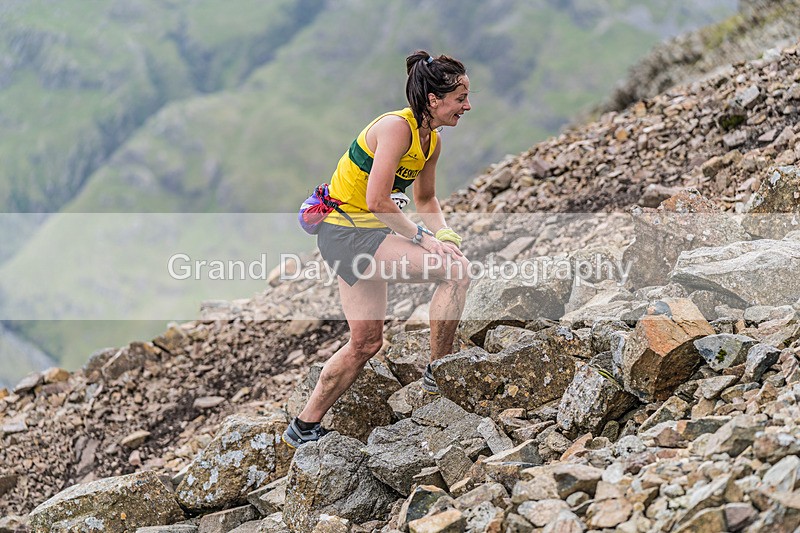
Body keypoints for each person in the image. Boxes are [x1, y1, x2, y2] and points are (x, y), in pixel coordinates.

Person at [282, 50, 473, 448]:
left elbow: (427, 198)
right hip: (347, 234)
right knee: (455, 273)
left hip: (364, 234)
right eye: (460, 98)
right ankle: (441, 376)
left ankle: (303, 426)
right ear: (434, 100)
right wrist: (424, 239)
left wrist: (447, 235)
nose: (467, 106)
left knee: (367, 342)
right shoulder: (395, 128)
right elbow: (378, 201)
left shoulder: (430, 141)